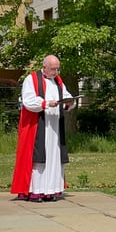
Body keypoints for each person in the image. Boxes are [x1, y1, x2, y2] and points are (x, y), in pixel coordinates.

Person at [11, 55, 75, 202]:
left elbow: (65, 95)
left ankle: (51, 190)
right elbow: (29, 101)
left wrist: (69, 102)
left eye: (58, 69)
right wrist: (46, 103)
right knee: (39, 158)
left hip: (55, 127)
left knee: (54, 158)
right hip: (38, 125)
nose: (56, 72)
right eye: (53, 69)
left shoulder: (58, 81)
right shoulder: (31, 79)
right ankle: (36, 191)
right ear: (44, 67)